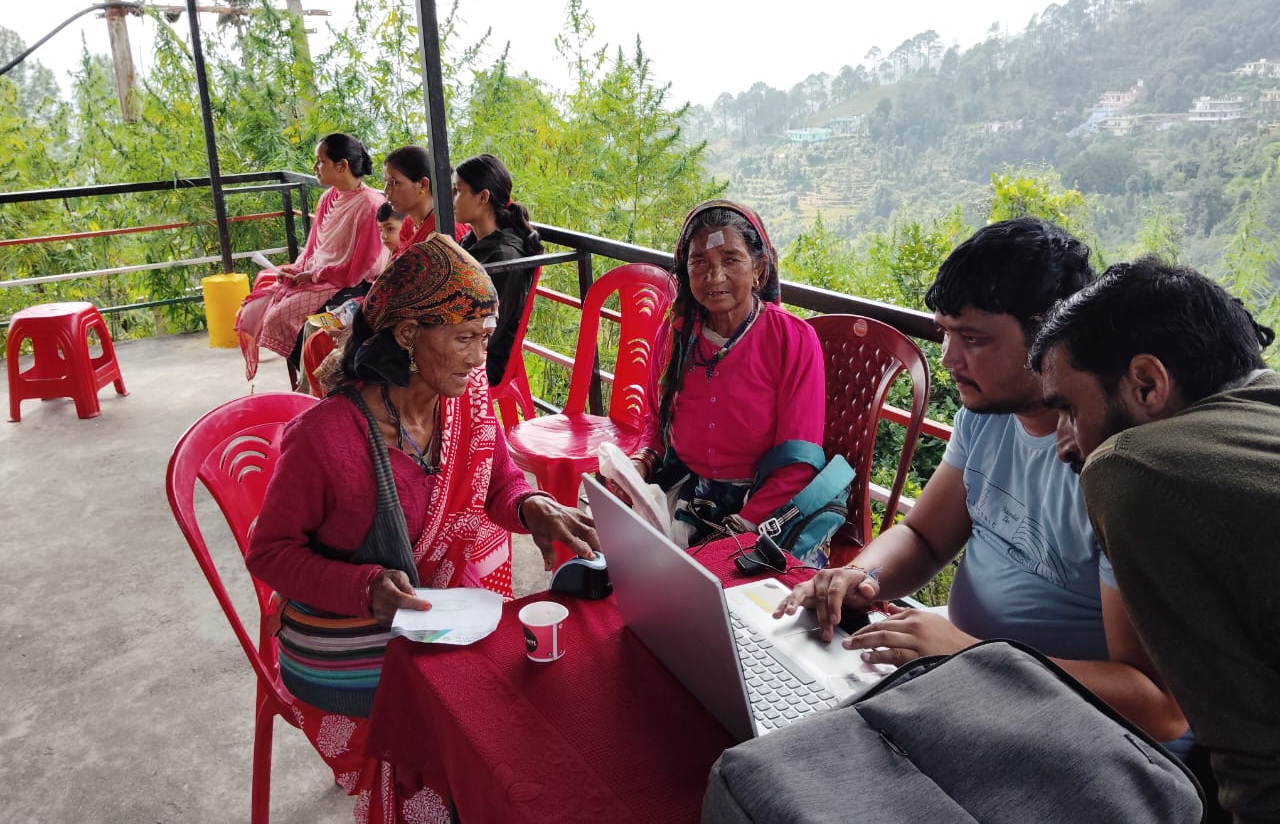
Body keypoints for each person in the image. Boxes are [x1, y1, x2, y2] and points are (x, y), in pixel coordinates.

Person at [775, 218, 1188, 745]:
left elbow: (1159, 708)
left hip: (1069, 731)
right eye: (946, 332)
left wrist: (971, 654)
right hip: (964, 677)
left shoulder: (1113, 467)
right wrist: (862, 576)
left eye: (972, 338)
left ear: (1052, 339)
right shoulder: (987, 413)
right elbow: (925, 536)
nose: (948, 359)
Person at [246, 234, 599, 823]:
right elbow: (271, 554)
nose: (476, 358)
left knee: (516, 710)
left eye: (484, 339)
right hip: (341, 629)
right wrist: (365, 588)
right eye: (463, 339)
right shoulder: (328, 437)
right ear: (408, 334)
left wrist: (533, 505)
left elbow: (500, 479)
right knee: (457, 744)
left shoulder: (465, 403)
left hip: (431, 611)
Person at [1030, 257, 1280, 821]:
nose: (1065, 445)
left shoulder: (1133, 466)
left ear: (1147, 382)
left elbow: (1256, 764)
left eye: (1069, 409)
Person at [632, 200, 825, 538]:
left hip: (763, 507)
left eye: (731, 260)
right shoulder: (675, 336)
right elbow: (655, 422)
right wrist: (639, 464)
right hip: (684, 491)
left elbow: (799, 461)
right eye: (699, 261)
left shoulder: (792, 339)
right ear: (684, 269)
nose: (714, 276)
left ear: (759, 269)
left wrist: (742, 526)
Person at [235, 132, 387, 380]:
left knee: (279, 316)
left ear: (342, 166)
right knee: (258, 302)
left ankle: (316, 379)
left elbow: (358, 269)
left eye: (320, 162)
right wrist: (296, 270)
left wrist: (314, 275)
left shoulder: (370, 204)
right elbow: (313, 247)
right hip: (320, 275)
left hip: (350, 283)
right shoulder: (328, 197)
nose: (315, 167)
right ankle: (307, 373)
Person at [452, 153, 541, 385]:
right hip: (457, 340)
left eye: (457, 191)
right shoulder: (471, 241)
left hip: (483, 359)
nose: (451, 200)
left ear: (483, 197)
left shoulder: (505, 257)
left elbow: (491, 331)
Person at [382, 144, 467, 252]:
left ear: (423, 185)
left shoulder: (444, 230)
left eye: (394, 182)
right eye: (386, 182)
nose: (386, 190)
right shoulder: (410, 223)